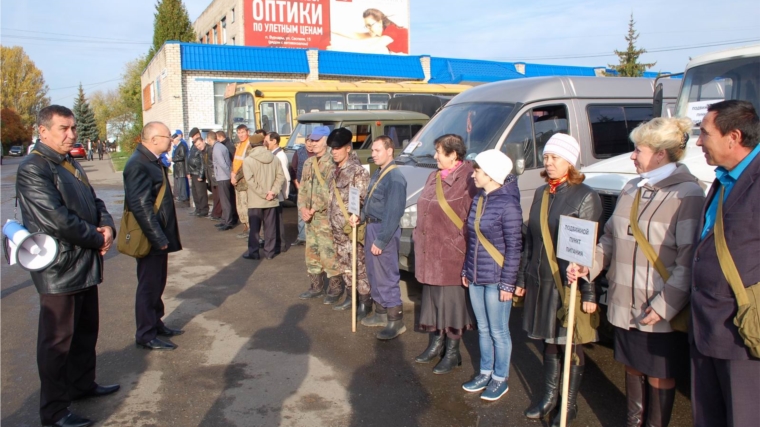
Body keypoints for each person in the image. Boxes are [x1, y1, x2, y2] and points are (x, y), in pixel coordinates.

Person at [568, 118, 704, 427]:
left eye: (638, 150)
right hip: (622, 300)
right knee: (631, 366)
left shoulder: (688, 194)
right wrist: (589, 264)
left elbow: (688, 259)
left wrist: (664, 305)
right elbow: (609, 239)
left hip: (657, 306)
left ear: (660, 154)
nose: (632, 155)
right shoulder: (632, 187)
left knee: (659, 374)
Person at [16, 105, 119, 427]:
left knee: (86, 331)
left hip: (84, 261)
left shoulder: (69, 163)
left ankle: (82, 385)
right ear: (43, 131)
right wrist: (96, 238)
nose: (71, 134)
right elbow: (56, 219)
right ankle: (55, 411)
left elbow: (95, 201)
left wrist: (108, 226)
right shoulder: (34, 168)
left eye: (73, 127)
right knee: (57, 342)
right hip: (59, 268)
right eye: (64, 128)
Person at [515, 133, 602, 426]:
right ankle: (550, 396)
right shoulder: (542, 193)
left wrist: (589, 294)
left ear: (570, 162)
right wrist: (522, 278)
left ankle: (569, 404)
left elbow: (588, 247)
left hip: (568, 285)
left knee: (570, 344)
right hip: (541, 280)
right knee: (549, 342)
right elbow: (530, 240)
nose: (548, 162)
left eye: (555, 158)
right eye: (547, 157)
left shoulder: (585, 195)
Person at [690, 100, 760, 427]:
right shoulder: (723, 178)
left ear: (733, 137)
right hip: (707, 326)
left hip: (741, 335)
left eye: (704, 133)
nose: (698, 141)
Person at [459, 149, 521, 401]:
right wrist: (466, 269)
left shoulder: (509, 204)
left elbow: (514, 247)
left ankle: (500, 378)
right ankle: (485, 372)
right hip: (476, 276)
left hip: (497, 279)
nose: (473, 174)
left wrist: (508, 283)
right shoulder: (480, 198)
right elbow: (472, 238)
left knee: (498, 331)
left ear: (491, 174)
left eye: (477, 170)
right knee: (482, 328)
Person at [414, 134, 477, 374]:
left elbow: (471, 220)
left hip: (452, 254)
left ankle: (452, 352)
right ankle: (436, 344)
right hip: (430, 252)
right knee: (433, 302)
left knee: (451, 305)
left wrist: (466, 256)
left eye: (439, 152)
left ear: (454, 155)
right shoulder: (434, 176)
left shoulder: (468, 180)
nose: (435, 156)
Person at [123, 122, 184, 351]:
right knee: (148, 285)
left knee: (158, 282)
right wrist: (158, 238)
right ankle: (145, 333)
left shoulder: (151, 160)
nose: (171, 139)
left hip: (158, 234)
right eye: (168, 136)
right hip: (150, 237)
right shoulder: (138, 164)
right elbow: (141, 207)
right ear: (155, 139)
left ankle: (156, 323)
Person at [358, 136, 408, 340]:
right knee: (374, 273)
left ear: (390, 151)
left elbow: (393, 213)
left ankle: (395, 321)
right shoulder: (380, 173)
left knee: (386, 275)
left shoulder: (395, 178)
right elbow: (371, 202)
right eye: (372, 150)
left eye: (377, 150)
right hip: (372, 226)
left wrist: (381, 240)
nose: (373, 154)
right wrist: (359, 217)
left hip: (382, 230)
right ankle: (380, 313)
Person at [327, 128, 372, 318]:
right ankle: (350, 295)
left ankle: (364, 300)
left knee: (358, 265)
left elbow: (362, 197)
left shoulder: (357, 171)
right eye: (332, 149)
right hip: (336, 228)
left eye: (337, 148)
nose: (333, 152)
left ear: (348, 148)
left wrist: (357, 214)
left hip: (350, 227)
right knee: (344, 263)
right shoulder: (334, 171)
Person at [297, 126, 342, 301]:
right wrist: (302, 208)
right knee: (312, 253)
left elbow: (328, 191)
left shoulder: (332, 163)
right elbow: (303, 188)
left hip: (324, 217)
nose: (312, 143)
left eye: (316, 140)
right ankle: (316, 286)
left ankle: (335, 289)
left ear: (326, 141)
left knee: (328, 253)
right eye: (311, 140)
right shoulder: (309, 163)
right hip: (310, 218)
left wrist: (313, 209)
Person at [242, 134, 285, 260]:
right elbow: (280, 177)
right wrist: (273, 192)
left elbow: (250, 181)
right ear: (263, 143)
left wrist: (263, 193)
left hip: (256, 201)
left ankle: (254, 252)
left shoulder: (248, 160)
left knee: (254, 229)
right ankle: (269, 253)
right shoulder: (274, 158)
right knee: (270, 228)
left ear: (251, 144)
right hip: (272, 200)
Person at [291, 129, 321, 245]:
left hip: (316, 189)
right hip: (302, 187)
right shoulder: (299, 152)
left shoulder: (319, 154)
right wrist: (297, 184)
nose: (310, 145)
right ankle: (302, 237)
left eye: (312, 142)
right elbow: (293, 169)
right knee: (301, 212)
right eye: (307, 142)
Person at [332, 8, 409, 54]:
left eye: (369, 25)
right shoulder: (380, 32)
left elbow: (369, 49)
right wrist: (330, 29)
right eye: (366, 26)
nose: (368, 28)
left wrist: (336, 49)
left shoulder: (391, 32)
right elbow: (357, 35)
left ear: (379, 22)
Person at [264, 131, 291, 253]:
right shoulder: (274, 154)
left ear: (274, 141)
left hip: (277, 194)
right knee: (275, 220)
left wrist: (284, 194)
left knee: (278, 221)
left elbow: (286, 177)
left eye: (267, 141)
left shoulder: (280, 156)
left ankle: (280, 245)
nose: (265, 143)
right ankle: (278, 244)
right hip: (276, 193)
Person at [209, 130, 237, 230]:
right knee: (224, 200)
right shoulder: (220, 146)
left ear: (209, 139)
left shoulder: (217, 148)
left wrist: (229, 175)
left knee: (225, 201)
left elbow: (223, 164)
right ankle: (225, 220)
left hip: (223, 177)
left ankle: (228, 222)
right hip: (223, 176)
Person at [231, 125, 252, 238]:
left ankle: (250, 228)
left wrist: (236, 177)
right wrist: (232, 174)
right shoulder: (239, 145)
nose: (241, 135)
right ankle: (245, 226)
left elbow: (246, 165)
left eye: (243, 132)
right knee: (239, 206)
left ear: (247, 132)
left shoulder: (249, 145)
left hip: (244, 182)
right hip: (237, 181)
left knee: (245, 205)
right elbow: (235, 161)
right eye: (239, 132)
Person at [186, 128, 209, 217]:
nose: (193, 138)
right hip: (193, 172)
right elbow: (190, 158)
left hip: (198, 172)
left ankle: (204, 210)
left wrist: (201, 174)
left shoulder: (200, 145)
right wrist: (188, 171)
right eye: (192, 137)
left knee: (201, 193)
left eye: (194, 136)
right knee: (195, 192)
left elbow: (203, 161)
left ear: (198, 135)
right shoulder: (193, 146)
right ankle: (198, 209)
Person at [170, 130, 190, 207]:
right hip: (178, 168)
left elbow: (182, 156)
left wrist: (173, 159)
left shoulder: (181, 145)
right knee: (179, 184)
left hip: (181, 168)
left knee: (182, 184)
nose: (172, 142)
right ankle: (181, 197)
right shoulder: (178, 146)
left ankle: (183, 197)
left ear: (176, 139)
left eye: (173, 141)